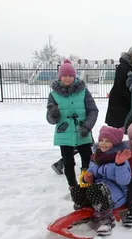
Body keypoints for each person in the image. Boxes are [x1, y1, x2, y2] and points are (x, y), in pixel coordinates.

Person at [46, 59, 99, 189]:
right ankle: (73, 187)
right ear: (60, 77)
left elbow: (93, 110)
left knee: (87, 159)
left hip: (83, 132)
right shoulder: (53, 94)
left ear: (74, 76)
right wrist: (54, 114)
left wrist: (87, 126)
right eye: (65, 75)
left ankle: (86, 184)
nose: (68, 78)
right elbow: (51, 120)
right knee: (68, 162)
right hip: (64, 133)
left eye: (70, 75)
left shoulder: (83, 91)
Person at [72, 126, 131, 235]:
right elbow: (90, 172)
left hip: (116, 194)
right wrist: (86, 178)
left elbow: (124, 181)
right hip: (97, 190)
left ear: (116, 144)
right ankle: (83, 211)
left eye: (107, 141)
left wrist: (120, 164)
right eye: (101, 140)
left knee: (96, 190)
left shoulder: (120, 158)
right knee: (77, 189)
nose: (103, 143)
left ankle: (106, 219)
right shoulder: (96, 157)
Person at [105, 46, 132, 128]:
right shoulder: (123, 67)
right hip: (120, 100)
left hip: (130, 99)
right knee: (119, 127)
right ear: (131, 55)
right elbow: (121, 85)